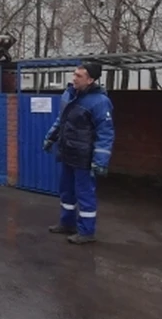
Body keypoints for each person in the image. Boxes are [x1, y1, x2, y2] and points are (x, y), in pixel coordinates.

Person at [42, 62, 114, 245]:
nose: (74, 78)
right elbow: (62, 120)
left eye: (79, 76)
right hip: (67, 152)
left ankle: (87, 232)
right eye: (74, 74)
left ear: (90, 80)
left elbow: (105, 133)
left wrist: (100, 161)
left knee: (85, 194)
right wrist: (51, 137)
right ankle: (67, 224)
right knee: (66, 191)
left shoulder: (100, 102)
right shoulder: (69, 94)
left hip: (84, 156)